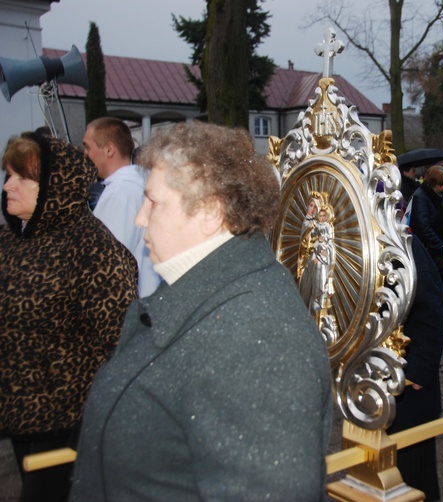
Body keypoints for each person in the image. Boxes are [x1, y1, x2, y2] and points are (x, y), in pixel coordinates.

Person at [70, 122, 332, 501]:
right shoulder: (208, 293)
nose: (139, 219)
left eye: (153, 203)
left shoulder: (258, 339)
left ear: (210, 212)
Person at [1, 132, 138, 501]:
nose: (8, 185)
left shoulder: (91, 246)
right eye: (7, 175)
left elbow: (122, 339)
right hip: (19, 414)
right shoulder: (10, 240)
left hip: (67, 422)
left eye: (21, 177)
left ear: (54, 185)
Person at [387, 234, 443, 501]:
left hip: (409, 387)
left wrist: (420, 368)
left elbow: (431, 307)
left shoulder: (402, 241)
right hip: (372, 384)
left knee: (413, 477)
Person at [83, 117, 160, 297]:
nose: (84, 154)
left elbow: (105, 263)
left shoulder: (120, 192)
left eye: (87, 147)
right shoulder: (142, 181)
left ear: (109, 149)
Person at [410, 164, 443, 291]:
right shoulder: (421, 197)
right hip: (430, 251)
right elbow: (423, 227)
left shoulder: (439, 196)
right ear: (437, 184)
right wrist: (441, 247)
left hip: (439, 250)